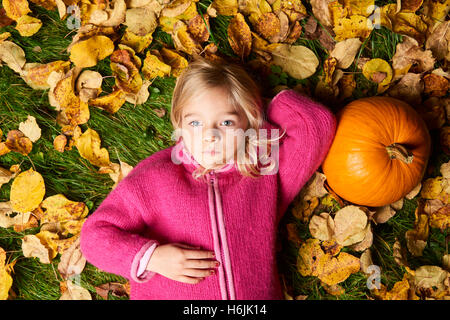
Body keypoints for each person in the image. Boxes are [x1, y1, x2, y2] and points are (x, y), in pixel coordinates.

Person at [79, 56, 337, 300]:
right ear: (179, 123)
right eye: (195, 123)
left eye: (225, 122)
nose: (209, 135)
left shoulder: (264, 172)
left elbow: (316, 125)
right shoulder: (156, 176)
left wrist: (256, 117)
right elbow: (94, 238)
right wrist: (153, 258)